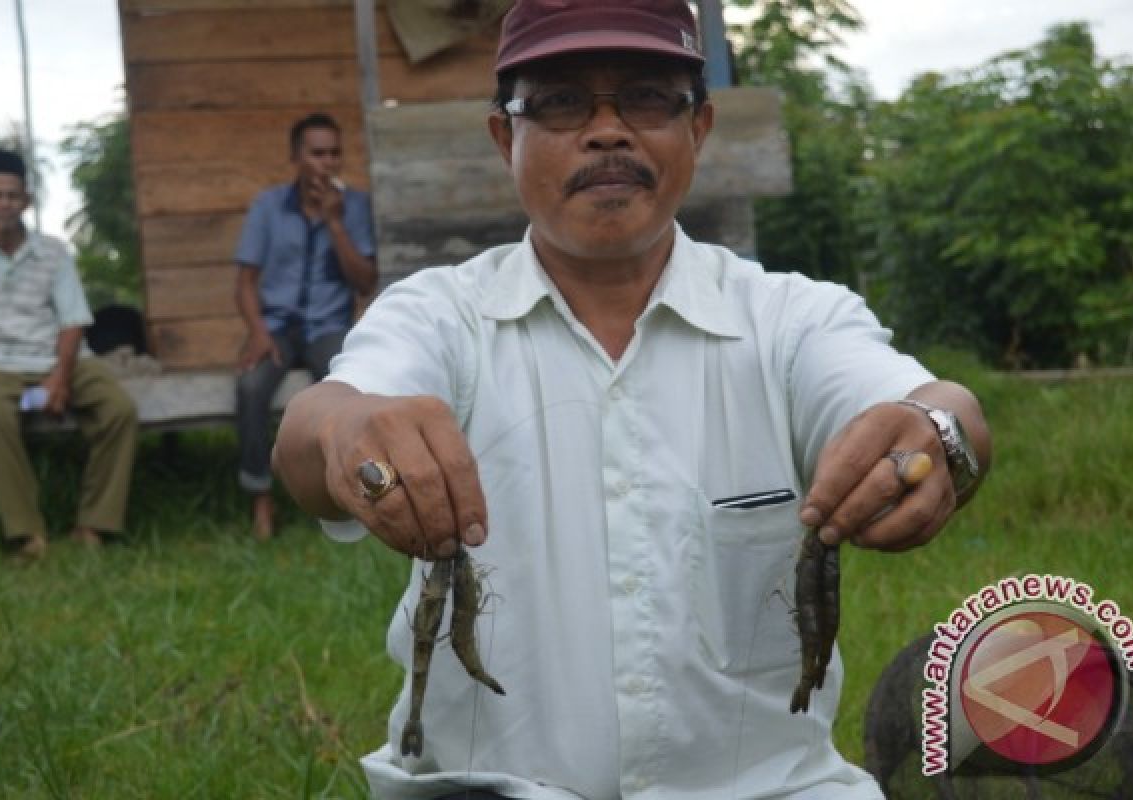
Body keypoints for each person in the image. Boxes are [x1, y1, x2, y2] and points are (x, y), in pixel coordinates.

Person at [272, 1, 993, 797]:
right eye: (560, 102)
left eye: (648, 97)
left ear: (700, 127)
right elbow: (313, 432)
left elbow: (937, 410)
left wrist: (937, 434)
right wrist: (347, 432)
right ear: (504, 137)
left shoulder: (792, 319)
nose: (607, 130)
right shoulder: (436, 314)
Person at [0, 150, 138, 560]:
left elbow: (73, 320)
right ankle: (26, 533)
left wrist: (57, 378)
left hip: (60, 358)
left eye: (13, 195)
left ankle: (94, 524)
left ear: (27, 202)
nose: (4, 203)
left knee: (118, 409)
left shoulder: (53, 251)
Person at [233, 112, 378, 540]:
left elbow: (365, 282)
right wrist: (258, 333)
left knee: (340, 382)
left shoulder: (355, 206)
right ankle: (261, 498)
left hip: (327, 325)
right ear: (296, 157)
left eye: (335, 153)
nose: (327, 163)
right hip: (275, 325)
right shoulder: (267, 207)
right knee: (251, 386)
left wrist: (335, 222)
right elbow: (244, 284)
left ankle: (335, 495)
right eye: (317, 153)